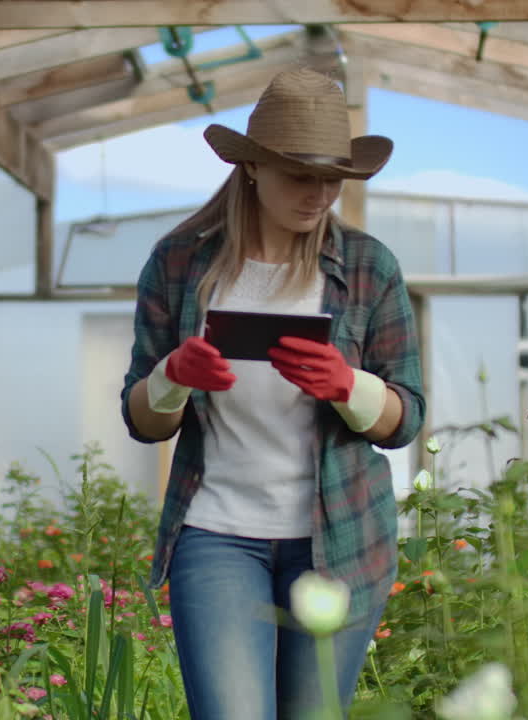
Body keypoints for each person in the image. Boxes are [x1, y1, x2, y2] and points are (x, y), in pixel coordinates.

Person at [120, 68, 425, 720]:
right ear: (252, 168)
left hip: (340, 542)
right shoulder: (179, 261)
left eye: (332, 177)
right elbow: (142, 421)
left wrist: (349, 386)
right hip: (216, 536)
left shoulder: (370, 267)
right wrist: (174, 376)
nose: (319, 195)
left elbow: (407, 418)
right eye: (299, 175)